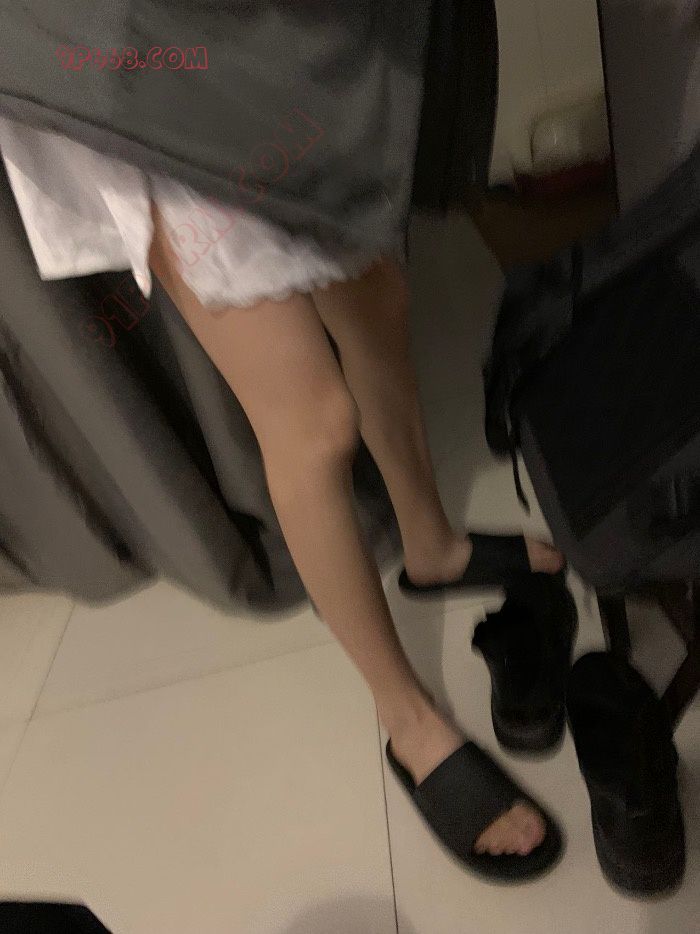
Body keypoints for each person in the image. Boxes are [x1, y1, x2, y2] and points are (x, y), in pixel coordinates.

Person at [0, 7, 564, 880]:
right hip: (129, 53)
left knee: (376, 301)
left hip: (272, 39)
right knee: (312, 423)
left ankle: (432, 546)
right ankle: (407, 721)